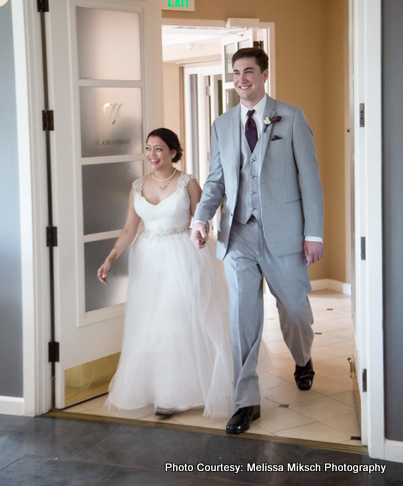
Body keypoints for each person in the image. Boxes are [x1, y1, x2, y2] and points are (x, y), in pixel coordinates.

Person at [191, 47, 324, 435]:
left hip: (284, 231)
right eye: (236, 73)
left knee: (295, 308)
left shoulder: (291, 117)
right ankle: (245, 401)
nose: (241, 79)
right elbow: (216, 180)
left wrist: (312, 233)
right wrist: (201, 218)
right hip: (239, 233)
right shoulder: (222, 124)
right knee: (242, 317)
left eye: (249, 71)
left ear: (265, 75)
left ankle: (303, 357)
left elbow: (311, 180)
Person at [97, 128, 233, 419]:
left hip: (184, 256)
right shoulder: (137, 186)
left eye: (159, 149)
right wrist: (110, 258)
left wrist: (201, 234)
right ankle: (158, 391)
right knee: (152, 323)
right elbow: (129, 229)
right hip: (149, 261)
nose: (152, 155)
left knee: (176, 320)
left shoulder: (188, 183)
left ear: (173, 151)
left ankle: (178, 395)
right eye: (148, 148)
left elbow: (202, 220)